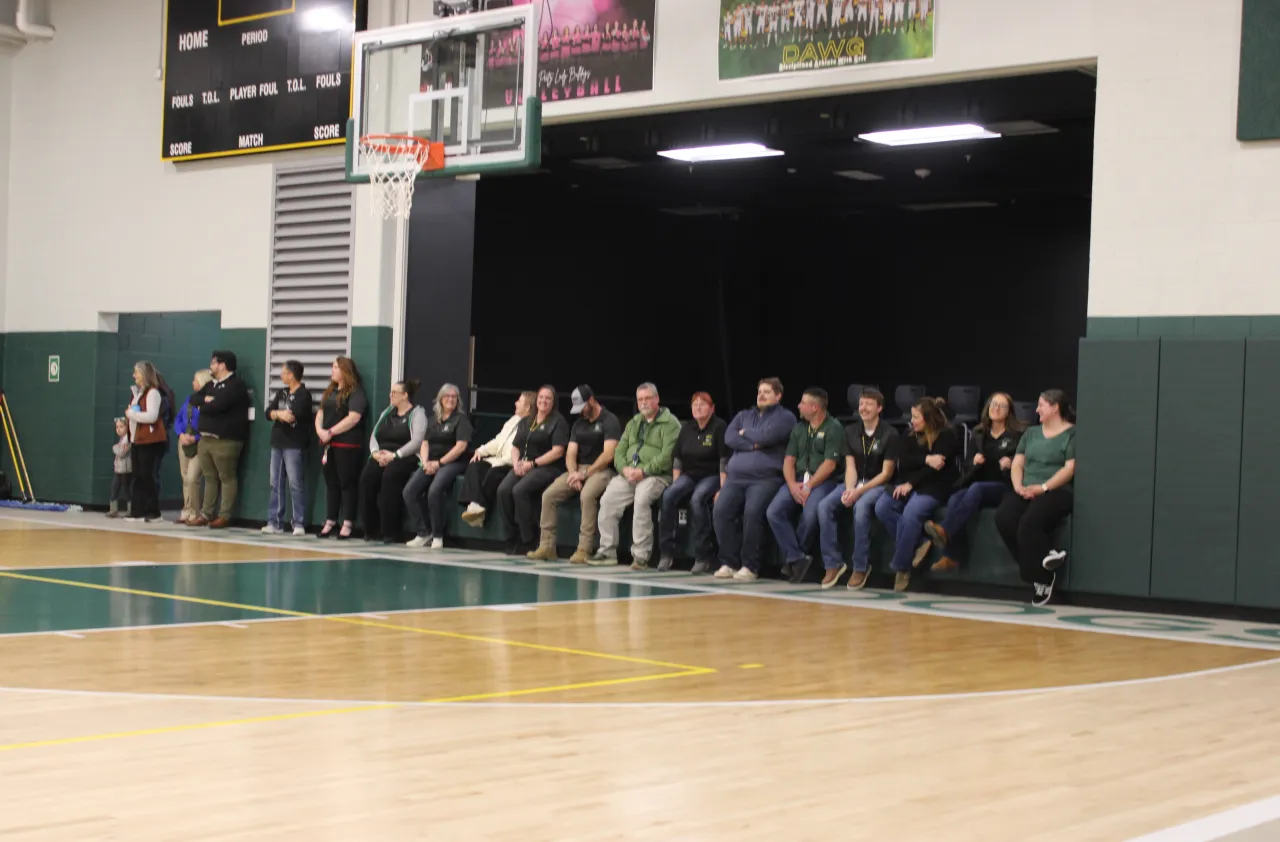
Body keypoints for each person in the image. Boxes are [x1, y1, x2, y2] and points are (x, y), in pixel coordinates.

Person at [924, 392, 1025, 571]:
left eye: (1001, 406)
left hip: (1004, 487)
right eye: (993, 404)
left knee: (977, 489)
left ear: (1009, 412)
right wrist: (973, 461)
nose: (996, 408)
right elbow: (966, 463)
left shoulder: (1017, 435)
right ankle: (953, 557)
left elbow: (1025, 461)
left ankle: (944, 530)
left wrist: (1011, 463)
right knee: (956, 498)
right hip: (979, 484)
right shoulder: (979, 433)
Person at [994, 389, 1076, 606]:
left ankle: (1042, 579)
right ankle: (1045, 557)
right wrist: (1018, 486)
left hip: (1056, 491)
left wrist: (1043, 487)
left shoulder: (1072, 434)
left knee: (1029, 522)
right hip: (1026, 488)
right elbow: (1018, 463)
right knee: (1004, 517)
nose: (1037, 409)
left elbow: (1069, 469)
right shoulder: (1031, 433)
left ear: (1055, 407)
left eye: (1041, 405)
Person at [713, 378, 798, 581]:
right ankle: (729, 562)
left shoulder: (786, 417)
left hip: (765, 478)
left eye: (767, 392)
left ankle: (750, 566)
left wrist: (747, 433)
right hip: (736, 477)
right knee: (720, 510)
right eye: (759, 391)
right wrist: (752, 443)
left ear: (778, 396)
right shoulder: (744, 415)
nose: (761, 395)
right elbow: (730, 437)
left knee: (752, 514)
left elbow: (769, 436)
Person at [873, 397, 959, 592]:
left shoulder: (946, 436)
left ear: (928, 419)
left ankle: (901, 568)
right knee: (882, 507)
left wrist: (913, 480)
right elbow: (904, 461)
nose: (912, 421)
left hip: (934, 486)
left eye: (916, 417)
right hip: (908, 483)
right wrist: (927, 459)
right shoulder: (910, 435)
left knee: (910, 514)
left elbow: (936, 469)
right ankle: (921, 541)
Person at [528, 385, 621, 563]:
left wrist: (585, 474)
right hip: (578, 470)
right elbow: (570, 453)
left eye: (583, 407)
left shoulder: (610, 420)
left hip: (602, 470)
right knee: (549, 495)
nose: (581, 412)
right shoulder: (579, 423)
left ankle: (584, 548)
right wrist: (573, 474)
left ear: (591, 401)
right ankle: (547, 546)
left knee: (587, 495)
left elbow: (608, 454)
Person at [817, 388, 899, 590]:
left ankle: (861, 566)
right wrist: (850, 489)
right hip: (854, 482)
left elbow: (886, 474)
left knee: (861, 508)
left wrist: (858, 493)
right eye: (861, 404)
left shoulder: (890, 434)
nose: (864, 408)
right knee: (824, 506)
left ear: (879, 408)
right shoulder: (850, 431)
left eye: (869, 404)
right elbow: (850, 466)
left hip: (877, 484)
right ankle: (833, 563)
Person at [594, 383, 681, 569]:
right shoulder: (634, 422)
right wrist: (624, 469)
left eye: (647, 398)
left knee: (642, 499)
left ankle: (641, 556)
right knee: (608, 499)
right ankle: (607, 551)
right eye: (640, 399)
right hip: (629, 474)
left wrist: (644, 471)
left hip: (655, 475)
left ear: (657, 399)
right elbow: (619, 451)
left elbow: (668, 455)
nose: (643, 403)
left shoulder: (670, 423)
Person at [766, 387, 846, 584]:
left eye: (803, 402)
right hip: (798, 479)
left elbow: (830, 464)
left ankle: (795, 560)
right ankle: (797, 558)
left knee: (811, 514)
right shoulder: (799, 428)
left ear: (815, 407)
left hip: (823, 481)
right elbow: (789, 460)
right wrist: (793, 485)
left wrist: (809, 486)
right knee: (774, 512)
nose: (799, 406)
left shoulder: (834, 428)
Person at [658, 392, 728, 573]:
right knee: (668, 495)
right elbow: (678, 458)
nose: (698, 407)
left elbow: (724, 460)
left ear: (712, 408)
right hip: (689, 475)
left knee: (697, 499)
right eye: (694, 404)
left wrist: (723, 488)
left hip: (711, 475)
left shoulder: (719, 427)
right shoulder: (687, 427)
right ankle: (667, 552)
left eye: (702, 404)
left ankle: (703, 555)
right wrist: (676, 483)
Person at [497, 385, 569, 555]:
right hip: (523, 465)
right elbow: (515, 446)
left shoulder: (558, 422)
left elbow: (558, 451)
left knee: (519, 490)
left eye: (548, 398)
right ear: (536, 401)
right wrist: (516, 464)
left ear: (553, 402)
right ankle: (510, 537)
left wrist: (533, 464)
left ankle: (528, 539)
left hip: (547, 467)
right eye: (541, 397)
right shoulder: (527, 420)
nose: (543, 401)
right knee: (503, 490)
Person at [404, 383, 474, 549]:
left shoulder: (461, 420)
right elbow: (425, 443)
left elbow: (460, 447)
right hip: (432, 462)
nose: (451, 399)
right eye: (447, 396)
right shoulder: (433, 420)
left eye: (454, 397)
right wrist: (426, 462)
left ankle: (437, 535)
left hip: (453, 462)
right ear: (440, 399)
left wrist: (439, 463)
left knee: (434, 491)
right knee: (409, 491)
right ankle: (423, 532)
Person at [359, 379, 427, 543]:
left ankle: (390, 531)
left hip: (405, 456)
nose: (391, 395)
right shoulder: (387, 412)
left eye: (395, 392)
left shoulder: (417, 414)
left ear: (405, 395)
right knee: (367, 479)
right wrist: (375, 453)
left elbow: (417, 441)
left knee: (390, 477)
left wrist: (394, 455)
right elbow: (373, 436)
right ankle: (370, 529)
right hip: (382, 455)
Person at [190, 351, 250, 529]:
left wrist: (206, 404)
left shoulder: (235, 385)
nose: (211, 365)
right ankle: (206, 513)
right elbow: (194, 399)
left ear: (223, 365)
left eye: (214, 362)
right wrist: (206, 400)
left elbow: (219, 406)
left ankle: (225, 514)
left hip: (226, 440)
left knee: (226, 477)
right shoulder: (211, 385)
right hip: (206, 439)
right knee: (209, 477)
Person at [459, 391, 534, 529]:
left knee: (494, 473)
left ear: (528, 407)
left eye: (519, 401)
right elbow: (498, 440)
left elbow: (517, 452)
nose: (516, 403)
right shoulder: (513, 420)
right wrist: (481, 451)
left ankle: (479, 510)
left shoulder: (530, 425)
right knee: (475, 465)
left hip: (510, 464)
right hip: (497, 460)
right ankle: (474, 506)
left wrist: (495, 462)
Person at [316, 357, 368, 539]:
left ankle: (348, 522)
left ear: (345, 370)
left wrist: (331, 432)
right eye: (332, 367)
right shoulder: (330, 392)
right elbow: (320, 413)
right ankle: (331, 519)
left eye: (336, 367)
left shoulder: (355, 392)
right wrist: (321, 431)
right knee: (331, 483)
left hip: (347, 445)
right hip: (329, 445)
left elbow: (353, 417)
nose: (333, 370)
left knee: (347, 483)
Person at [262, 360, 313, 536]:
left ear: (291, 374)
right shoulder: (281, 393)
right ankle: (274, 521)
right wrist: (277, 414)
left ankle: (298, 522)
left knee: (295, 483)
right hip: (277, 442)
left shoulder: (304, 395)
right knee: (274, 483)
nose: (281, 375)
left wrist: (280, 414)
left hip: (294, 443)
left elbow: (293, 415)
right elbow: (268, 412)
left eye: (284, 372)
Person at [123, 361, 169, 524]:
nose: (134, 375)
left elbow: (151, 416)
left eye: (137, 372)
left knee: (147, 476)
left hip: (151, 441)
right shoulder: (137, 393)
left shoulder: (153, 393)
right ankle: (137, 511)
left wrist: (131, 415)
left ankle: (153, 512)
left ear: (144, 375)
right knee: (137, 476)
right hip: (137, 440)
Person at [173, 369, 211, 524]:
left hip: (198, 442)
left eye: (195, 380)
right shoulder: (190, 399)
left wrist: (195, 437)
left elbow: (207, 424)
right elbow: (179, 418)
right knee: (184, 476)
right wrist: (181, 435)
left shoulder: (207, 401)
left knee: (192, 477)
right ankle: (186, 509)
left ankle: (196, 510)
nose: (192, 383)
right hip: (183, 440)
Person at [107, 417, 132, 519]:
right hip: (118, 470)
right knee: (114, 488)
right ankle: (113, 510)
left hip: (126, 470)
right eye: (117, 427)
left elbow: (122, 453)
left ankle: (131, 510)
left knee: (127, 490)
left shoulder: (128, 440)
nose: (118, 429)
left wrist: (115, 448)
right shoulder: (122, 440)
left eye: (121, 426)